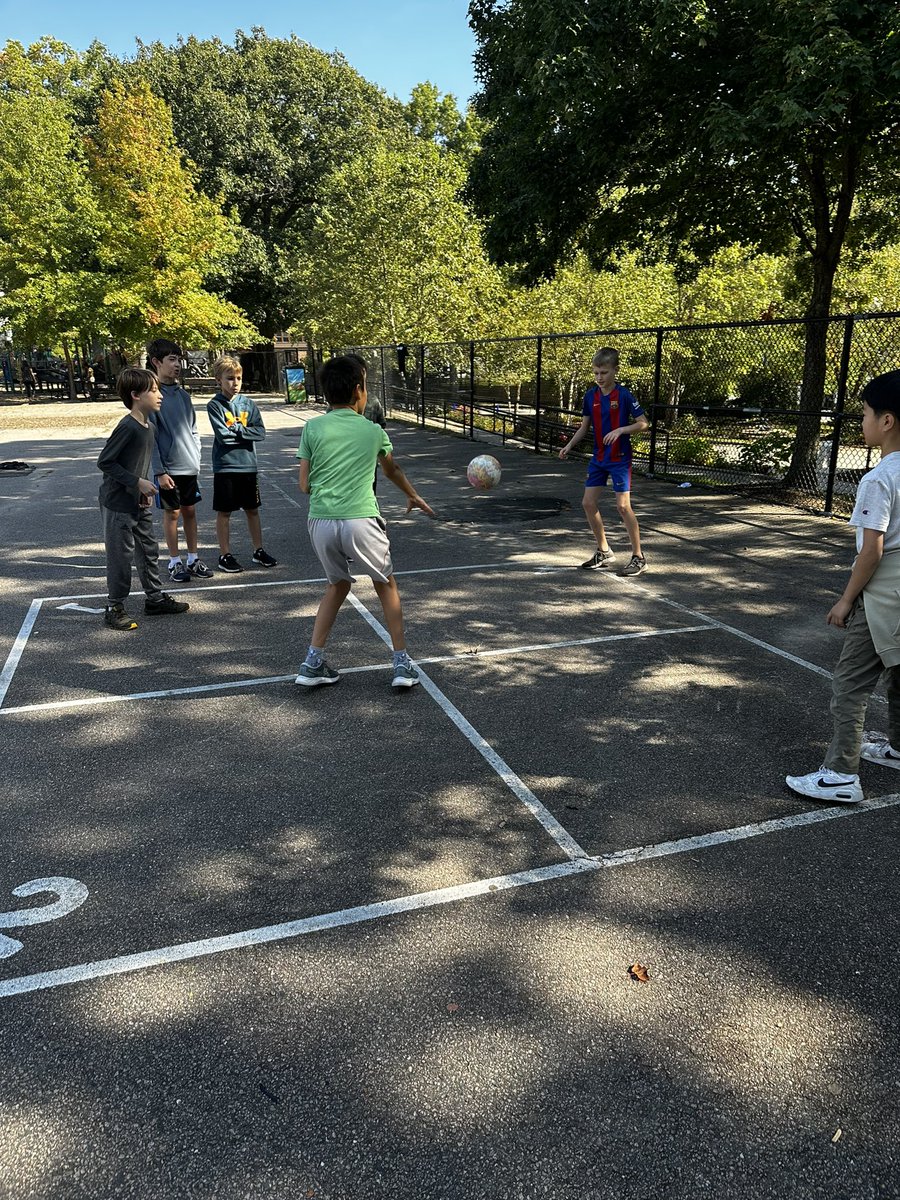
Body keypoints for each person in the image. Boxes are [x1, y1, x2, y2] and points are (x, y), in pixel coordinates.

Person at [786, 371, 900, 804]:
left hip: (883, 595)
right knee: (899, 677)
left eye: (866, 414)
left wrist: (846, 599)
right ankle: (898, 749)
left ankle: (840, 776)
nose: (863, 422)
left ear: (886, 421)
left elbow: (870, 552)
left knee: (850, 685)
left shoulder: (878, 479)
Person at [295, 354, 434, 689]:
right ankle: (401, 664)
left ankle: (312, 663)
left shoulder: (312, 427)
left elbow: (304, 485)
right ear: (359, 391)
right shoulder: (372, 431)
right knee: (385, 584)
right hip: (361, 518)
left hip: (322, 522)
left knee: (337, 585)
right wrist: (412, 495)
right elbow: (392, 470)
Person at [97, 367, 190, 631]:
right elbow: (105, 462)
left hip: (136, 500)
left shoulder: (148, 426)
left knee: (149, 550)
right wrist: (136, 482)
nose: (159, 395)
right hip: (117, 503)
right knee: (120, 556)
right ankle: (114, 607)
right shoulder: (128, 426)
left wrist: (142, 490)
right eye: (153, 390)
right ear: (136, 395)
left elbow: (139, 464)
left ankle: (155, 599)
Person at [559, 346, 649, 575]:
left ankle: (639, 556)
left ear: (615, 371)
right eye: (596, 373)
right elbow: (584, 427)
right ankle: (604, 550)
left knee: (622, 506)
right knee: (588, 503)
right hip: (599, 458)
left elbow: (643, 423)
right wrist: (570, 445)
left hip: (620, 458)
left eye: (604, 373)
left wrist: (621, 430)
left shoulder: (625, 395)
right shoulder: (591, 396)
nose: (599, 377)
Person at [146, 337, 213, 583]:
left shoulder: (184, 396)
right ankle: (174, 561)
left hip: (188, 466)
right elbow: (151, 438)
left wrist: (196, 456)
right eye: (171, 360)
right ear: (156, 362)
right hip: (168, 470)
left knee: (190, 511)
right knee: (172, 514)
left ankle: (193, 558)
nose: (177, 365)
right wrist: (160, 471)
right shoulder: (153, 397)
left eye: (179, 360)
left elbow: (194, 429)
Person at [207, 355, 278, 573]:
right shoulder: (215, 405)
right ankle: (225, 554)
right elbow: (223, 437)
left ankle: (258, 550)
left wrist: (237, 430)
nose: (235, 383)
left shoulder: (248, 404)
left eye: (238, 378)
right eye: (229, 378)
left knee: (252, 509)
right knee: (225, 512)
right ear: (218, 379)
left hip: (248, 465)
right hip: (226, 467)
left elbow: (261, 432)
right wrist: (244, 433)